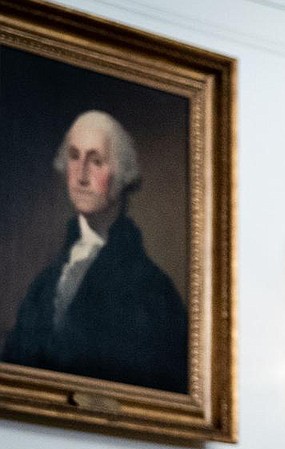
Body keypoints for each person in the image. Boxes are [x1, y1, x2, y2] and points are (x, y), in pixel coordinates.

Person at [2, 110, 188, 393]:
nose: (81, 176)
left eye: (97, 161)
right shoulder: (44, 284)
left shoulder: (153, 292)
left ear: (124, 175)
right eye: (74, 157)